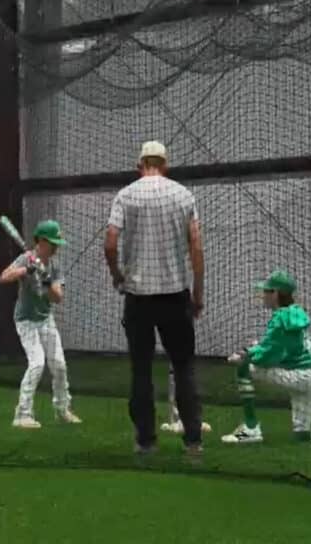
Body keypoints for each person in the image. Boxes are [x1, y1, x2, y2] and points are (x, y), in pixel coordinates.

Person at [104, 140, 205, 456]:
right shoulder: (182, 194)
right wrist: (198, 294)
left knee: (141, 370)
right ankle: (192, 441)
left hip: (138, 298)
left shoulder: (126, 195)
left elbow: (109, 244)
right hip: (175, 295)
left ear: (140, 165)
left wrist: (117, 275)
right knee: (184, 367)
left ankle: (146, 441)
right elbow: (196, 247)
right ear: (165, 164)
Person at [0, 220, 81, 429]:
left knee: (59, 365)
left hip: (45, 319)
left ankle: (62, 409)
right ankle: (22, 414)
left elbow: (57, 297)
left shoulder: (54, 266)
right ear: (41, 241)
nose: (55, 248)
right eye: (52, 243)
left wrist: (45, 278)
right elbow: (4, 277)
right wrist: (26, 270)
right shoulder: (26, 258)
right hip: (26, 320)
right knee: (37, 363)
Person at [222, 270, 311, 444]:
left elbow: (268, 356)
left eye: (266, 292)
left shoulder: (280, 318)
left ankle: (251, 429)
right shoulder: (296, 312)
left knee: (244, 368)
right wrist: (254, 350)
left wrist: (245, 356)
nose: (263, 296)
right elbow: (279, 346)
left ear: (275, 294)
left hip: (294, 375)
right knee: (302, 437)